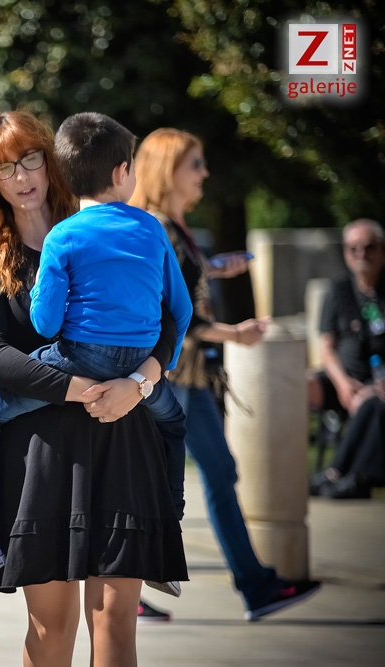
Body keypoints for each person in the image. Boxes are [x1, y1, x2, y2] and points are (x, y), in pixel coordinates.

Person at [0, 110, 187, 667]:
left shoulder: (100, 223)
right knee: (53, 630)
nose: (22, 176)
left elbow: (169, 316)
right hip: (41, 456)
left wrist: (140, 383)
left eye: (30, 159)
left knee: (116, 623)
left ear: (52, 161)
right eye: (4, 168)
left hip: (123, 437)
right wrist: (79, 388)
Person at [130, 127, 322, 621]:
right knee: (153, 484)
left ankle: (256, 587)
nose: (205, 173)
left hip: (185, 378)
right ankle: (123, 590)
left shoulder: (173, 227)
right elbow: (174, 315)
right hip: (168, 378)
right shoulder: (158, 227)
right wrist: (235, 334)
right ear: (168, 170)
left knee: (216, 473)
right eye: (195, 164)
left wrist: (212, 267)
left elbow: (181, 283)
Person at [309, 218, 385, 499]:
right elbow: (326, 347)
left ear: (382, 250)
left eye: (369, 247)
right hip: (343, 378)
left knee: (373, 403)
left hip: (378, 385)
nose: (361, 254)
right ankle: (283, 471)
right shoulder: (338, 291)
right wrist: (342, 384)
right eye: (354, 248)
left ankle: (343, 474)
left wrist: (373, 388)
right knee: (300, 387)